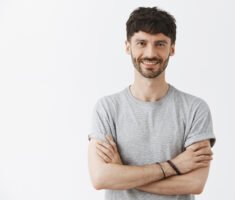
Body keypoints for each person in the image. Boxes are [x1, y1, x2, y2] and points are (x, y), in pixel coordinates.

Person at [88, 6, 216, 200]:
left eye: (160, 44)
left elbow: (194, 183)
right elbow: (101, 177)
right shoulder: (107, 108)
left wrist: (122, 172)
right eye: (141, 43)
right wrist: (173, 167)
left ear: (172, 48)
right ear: (127, 46)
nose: (150, 53)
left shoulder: (195, 109)